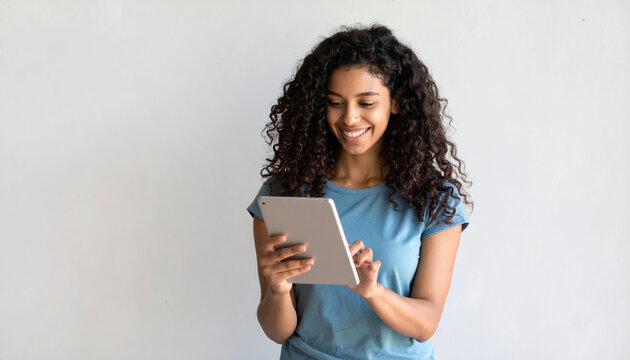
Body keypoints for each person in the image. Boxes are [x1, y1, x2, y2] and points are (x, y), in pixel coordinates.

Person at [246, 24, 472, 360]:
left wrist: (374, 292)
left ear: (396, 102)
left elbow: (426, 321)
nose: (350, 118)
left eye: (366, 102)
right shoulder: (283, 194)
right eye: (335, 102)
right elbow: (278, 330)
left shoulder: (433, 199)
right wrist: (278, 288)